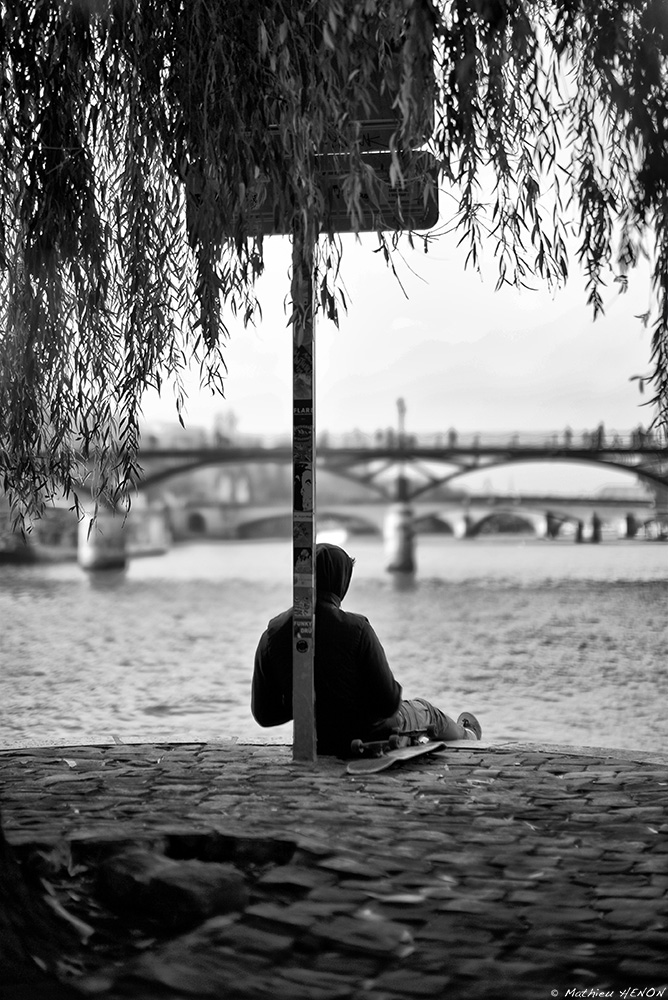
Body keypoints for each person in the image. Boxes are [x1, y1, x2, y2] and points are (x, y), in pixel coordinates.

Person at [251, 542, 482, 756]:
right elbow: (388, 703)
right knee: (426, 712)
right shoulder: (357, 628)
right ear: (341, 580)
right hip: (366, 733)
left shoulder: (273, 632)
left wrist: (307, 707)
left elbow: (264, 714)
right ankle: (467, 735)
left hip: (319, 739)